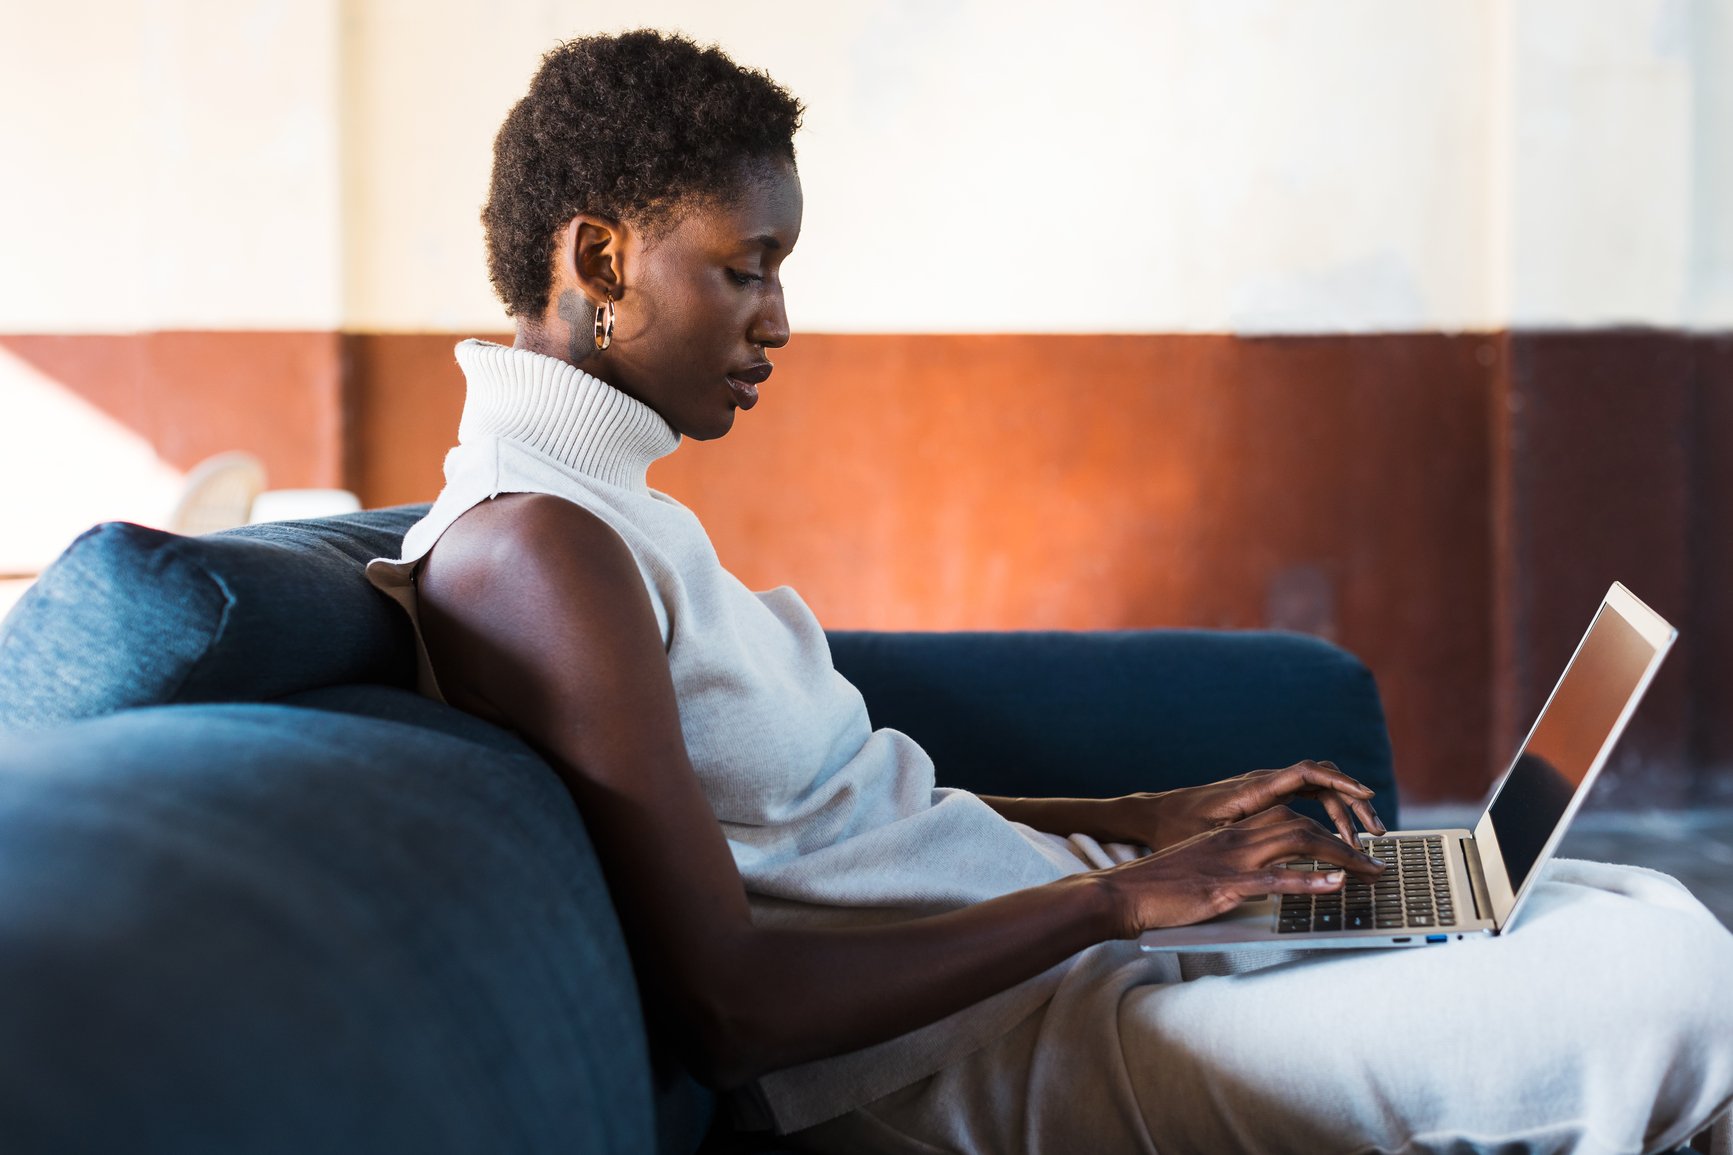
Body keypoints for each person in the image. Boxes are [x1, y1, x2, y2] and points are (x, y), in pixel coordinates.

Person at [367, 29, 1733, 1153]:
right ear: (601, 261)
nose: (778, 320)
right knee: (1670, 989)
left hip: (1066, 951)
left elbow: (818, 823)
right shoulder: (534, 547)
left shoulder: (607, 510)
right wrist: (1118, 899)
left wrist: (1139, 828)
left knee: (1608, 908)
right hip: (980, 1055)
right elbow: (734, 1005)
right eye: (745, 266)